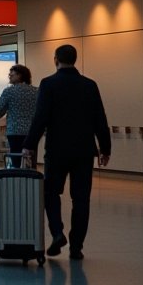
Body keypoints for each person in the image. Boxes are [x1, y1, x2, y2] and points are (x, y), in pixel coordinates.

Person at [25, 45, 112, 260]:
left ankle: (57, 232)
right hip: (84, 150)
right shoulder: (89, 85)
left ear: (55, 59)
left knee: (50, 192)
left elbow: (41, 117)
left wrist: (29, 145)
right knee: (81, 199)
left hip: (57, 149)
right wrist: (105, 148)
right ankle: (76, 247)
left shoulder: (48, 84)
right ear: (75, 59)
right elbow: (100, 118)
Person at [0, 64, 38, 157]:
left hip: (14, 131)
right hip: (32, 132)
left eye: (12, 74)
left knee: (16, 161)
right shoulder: (36, 91)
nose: (9, 76)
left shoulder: (9, 91)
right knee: (30, 161)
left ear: (20, 75)